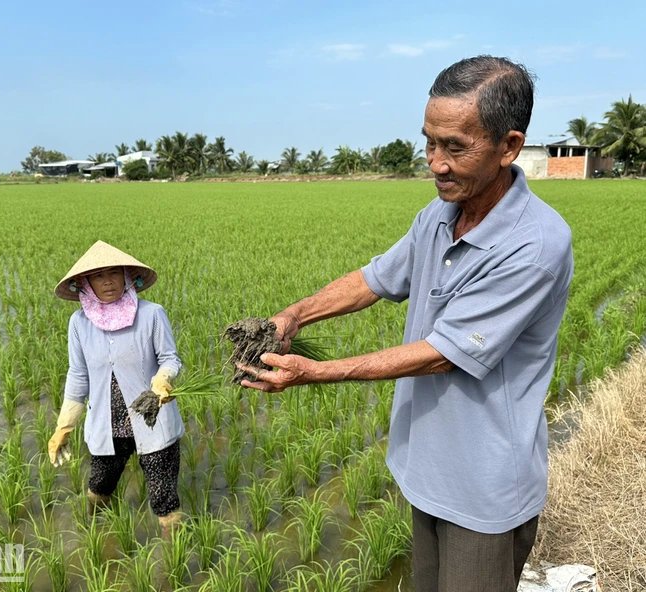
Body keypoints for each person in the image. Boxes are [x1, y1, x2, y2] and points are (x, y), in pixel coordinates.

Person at [239, 55, 573, 592]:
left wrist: (315, 372)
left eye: (455, 147)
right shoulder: (438, 214)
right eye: (430, 142)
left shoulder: (534, 244)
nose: (435, 163)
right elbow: (375, 279)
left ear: (509, 146)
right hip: (425, 468)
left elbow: (444, 353)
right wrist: (294, 315)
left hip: (482, 489)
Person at [48, 240, 185, 537]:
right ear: (85, 283)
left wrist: (163, 379)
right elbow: (78, 374)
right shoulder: (79, 323)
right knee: (99, 487)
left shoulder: (151, 314)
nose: (108, 281)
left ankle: (174, 557)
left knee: (164, 498)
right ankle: (97, 538)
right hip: (108, 426)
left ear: (126, 276)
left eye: (114, 272)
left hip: (153, 420)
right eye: (98, 275)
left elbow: (170, 359)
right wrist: (64, 426)